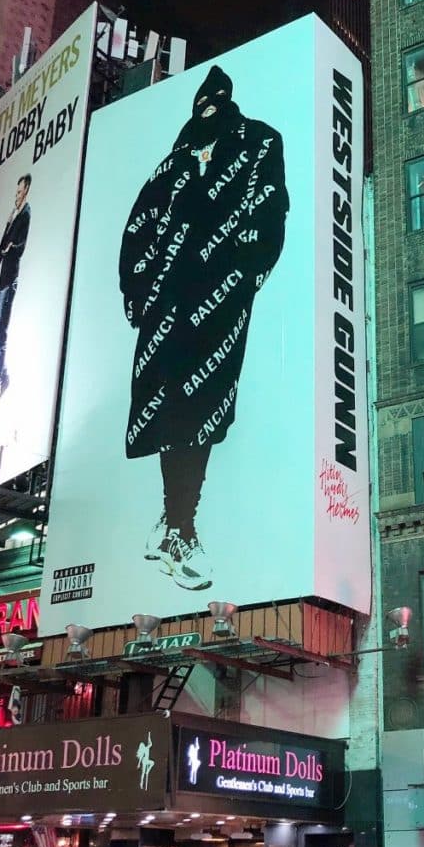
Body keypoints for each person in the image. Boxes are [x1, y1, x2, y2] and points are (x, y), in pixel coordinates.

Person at [119, 65, 289, 590]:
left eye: (217, 101)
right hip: (166, 306)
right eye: (203, 102)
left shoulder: (259, 142)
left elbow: (271, 212)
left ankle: (180, 526)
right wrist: (138, 294)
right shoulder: (172, 162)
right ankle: (175, 523)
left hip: (215, 303)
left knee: (201, 413)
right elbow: (138, 224)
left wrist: (240, 275)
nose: (209, 108)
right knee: (168, 413)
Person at [0, 174, 32, 421]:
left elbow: (19, 247)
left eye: (20, 191)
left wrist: (11, 247)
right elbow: (0, 250)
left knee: (0, 342)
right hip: (1, 283)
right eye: (16, 191)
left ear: (27, 191)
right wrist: (5, 228)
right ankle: (6, 377)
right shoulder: (14, 216)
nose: (17, 195)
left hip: (10, 282)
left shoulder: (26, 215)